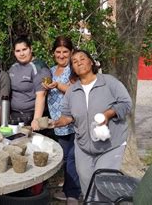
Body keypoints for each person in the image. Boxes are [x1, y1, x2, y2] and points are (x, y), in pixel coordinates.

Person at [49, 49, 132, 201]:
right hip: (83, 147)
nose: (79, 62)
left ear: (91, 62)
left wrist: (108, 114)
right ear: (72, 68)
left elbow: (126, 104)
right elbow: (67, 116)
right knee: (87, 184)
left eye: (82, 58)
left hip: (110, 145)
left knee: (103, 182)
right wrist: (55, 123)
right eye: (74, 61)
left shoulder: (109, 82)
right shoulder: (72, 91)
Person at [42, 36, 81, 203]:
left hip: (73, 121)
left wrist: (57, 85)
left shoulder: (73, 70)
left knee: (73, 158)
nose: (61, 55)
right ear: (53, 53)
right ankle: (67, 190)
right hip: (58, 123)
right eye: (58, 52)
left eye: (65, 51)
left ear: (71, 52)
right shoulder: (50, 71)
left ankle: (73, 194)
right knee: (65, 157)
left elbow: (75, 91)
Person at [8, 36, 51, 130]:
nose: (21, 54)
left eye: (24, 49)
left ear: (31, 49)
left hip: (30, 117)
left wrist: (36, 120)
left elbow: (42, 95)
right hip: (13, 116)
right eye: (18, 51)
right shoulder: (13, 68)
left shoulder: (40, 67)